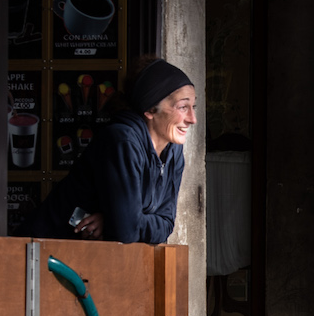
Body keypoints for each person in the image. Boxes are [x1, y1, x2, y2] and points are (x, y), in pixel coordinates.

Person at [23, 57, 198, 244]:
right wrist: (121, 224)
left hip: (90, 254)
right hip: (43, 249)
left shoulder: (173, 151)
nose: (192, 119)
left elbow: (166, 224)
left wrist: (113, 222)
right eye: (182, 107)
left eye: (193, 107)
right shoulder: (123, 141)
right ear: (150, 109)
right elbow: (126, 233)